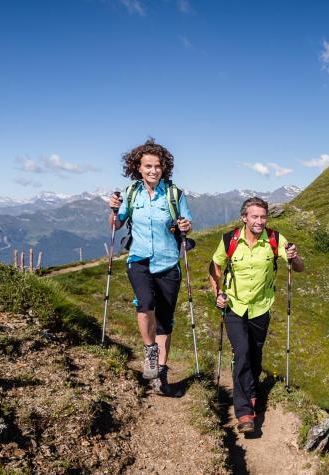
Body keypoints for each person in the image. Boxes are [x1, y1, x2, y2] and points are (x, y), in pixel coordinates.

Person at [209, 197, 303, 433]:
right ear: (244, 218)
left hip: (261, 307)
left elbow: (299, 267)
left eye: (263, 216)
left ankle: (252, 392)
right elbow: (215, 266)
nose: (259, 221)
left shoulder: (274, 239)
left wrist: (294, 256)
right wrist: (218, 292)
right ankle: (244, 414)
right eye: (254, 216)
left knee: (255, 355)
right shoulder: (229, 240)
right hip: (234, 305)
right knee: (241, 352)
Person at [108, 138, 192, 396]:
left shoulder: (174, 194)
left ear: (163, 168)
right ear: (138, 168)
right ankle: (150, 352)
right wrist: (113, 211)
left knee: (165, 321)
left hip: (168, 261)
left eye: (157, 166)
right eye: (148, 166)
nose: (153, 170)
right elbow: (116, 224)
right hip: (139, 259)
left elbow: (186, 222)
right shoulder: (131, 193)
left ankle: (161, 377)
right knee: (145, 304)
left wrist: (185, 227)